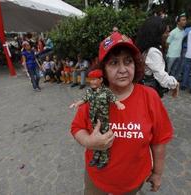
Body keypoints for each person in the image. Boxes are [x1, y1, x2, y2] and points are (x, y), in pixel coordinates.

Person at [71, 32, 173, 194]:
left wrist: (157, 173)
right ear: (103, 68)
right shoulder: (94, 96)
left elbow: (159, 141)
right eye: (113, 63)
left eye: (128, 61)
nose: (123, 69)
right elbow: (77, 128)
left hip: (132, 181)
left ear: (136, 65)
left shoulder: (150, 97)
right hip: (97, 177)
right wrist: (88, 141)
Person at [70, 69, 125, 169]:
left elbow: (114, 99)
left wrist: (119, 104)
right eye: (91, 79)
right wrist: (76, 104)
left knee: (104, 138)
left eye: (94, 79)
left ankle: (104, 159)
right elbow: (84, 99)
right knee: (94, 137)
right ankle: (96, 155)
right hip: (94, 120)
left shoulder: (107, 91)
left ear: (101, 80)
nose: (92, 82)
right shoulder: (89, 91)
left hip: (104, 120)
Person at [136, 16, 179, 98]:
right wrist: (175, 84)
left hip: (144, 90)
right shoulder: (153, 52)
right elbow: (162, 78)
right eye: (166, 32)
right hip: (150, 93)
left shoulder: (146, 47)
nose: (168, 34)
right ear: (156, 34)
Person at [166, 13, 187, 79]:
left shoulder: (184, 31)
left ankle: (171, 85)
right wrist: (168, 53)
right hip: (171, 55)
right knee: (167, 71)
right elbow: (167, 43)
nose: (185, 21)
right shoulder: (173, 32)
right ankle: (163, 87)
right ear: (178, 22)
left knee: (174, 71)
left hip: (178, 55)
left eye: (185, 20)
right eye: (183, 20)